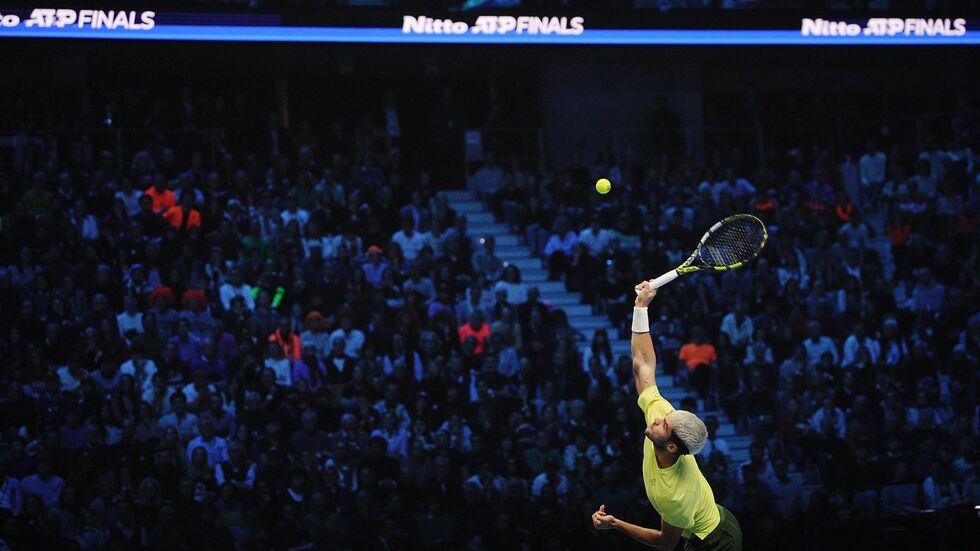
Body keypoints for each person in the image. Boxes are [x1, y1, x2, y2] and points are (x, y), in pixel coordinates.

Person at [591, 281, 742, 550]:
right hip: (701, 523)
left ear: (671, 446)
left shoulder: (675, 495)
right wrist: (640, 307)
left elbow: (665, 542)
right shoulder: (663, 416)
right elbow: (643, 364)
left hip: (717, 542)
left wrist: (615, 524)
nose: (657, 418)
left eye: (664, 424)